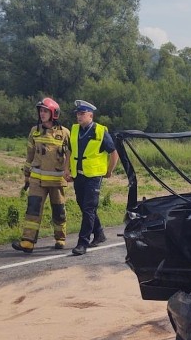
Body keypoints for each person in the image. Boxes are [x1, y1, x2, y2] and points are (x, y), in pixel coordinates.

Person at [12, 98, 71, 253]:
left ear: (54, 113)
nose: (42, 113)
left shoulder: (64, 133)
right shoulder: (34, 131)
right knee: (33, 208)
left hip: (57, 181)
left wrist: (68, 171)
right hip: (37, 179)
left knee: (59, 210)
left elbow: (71, 154)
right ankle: (27, 242)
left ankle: (60, 238)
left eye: (45, 111)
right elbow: (29, 155)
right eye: (41, 111)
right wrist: (26, 176)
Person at [68, 100, 118, 256]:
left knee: (89, 208)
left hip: (94, 176)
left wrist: (109, 171)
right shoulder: (75, 130)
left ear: (91, 115)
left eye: (82, 114)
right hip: (78, 175)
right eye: (78, 113)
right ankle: (99, 233)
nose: (79, 116)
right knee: (84, 207)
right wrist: (66, 169)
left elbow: (114, 153)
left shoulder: (100, 131)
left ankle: (82, 243)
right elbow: (69, 151)